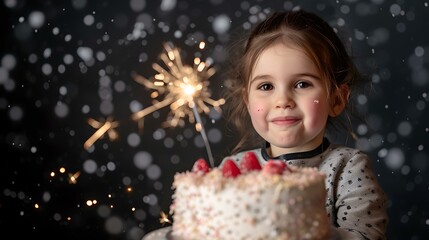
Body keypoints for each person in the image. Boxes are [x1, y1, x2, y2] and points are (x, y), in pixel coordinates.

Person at [221, 9, 388, 240]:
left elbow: (367, 236)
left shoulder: (347, 168)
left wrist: (292, 228)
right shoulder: (233, 170)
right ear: (247, 101)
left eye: (302, 84)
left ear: (337, 99)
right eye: (266, 87)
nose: (283, 101)